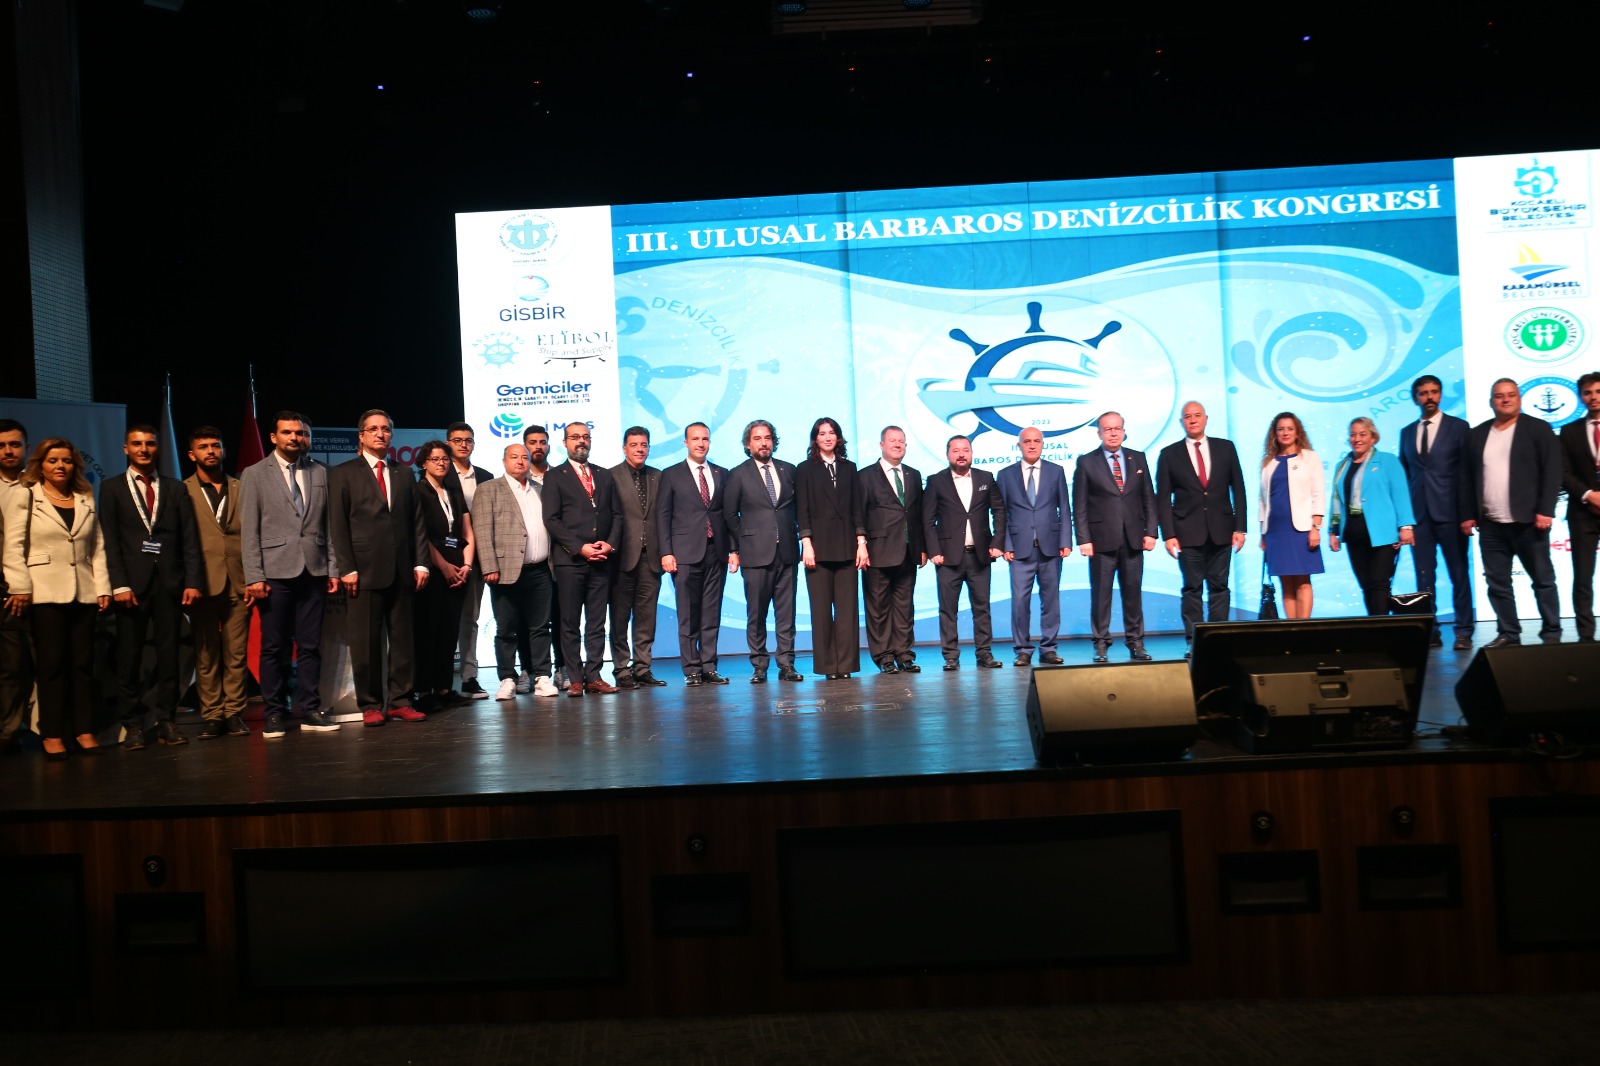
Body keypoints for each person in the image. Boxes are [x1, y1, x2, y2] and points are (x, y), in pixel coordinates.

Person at [1, 439, 111, 759]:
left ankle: (84, 730)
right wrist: (19, 586)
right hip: (44, 592)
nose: (60, 466)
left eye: (66, 460)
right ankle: (52, 734)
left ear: (75, 465)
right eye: (53, 460)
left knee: (83, 665)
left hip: (84, 592)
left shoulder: (85, 497)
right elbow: (13, 546)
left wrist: (103, 587)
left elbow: (98, 548)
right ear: (41, 465)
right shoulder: (26, 495)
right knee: (51, 667)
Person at [239, 412, 341, 737]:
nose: (294, 438)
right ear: (273, 437)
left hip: (314, 568)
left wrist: (333, 568)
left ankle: (310, 709)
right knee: (274, 646)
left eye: (298, 433)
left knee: (311, 645)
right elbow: (249, 531)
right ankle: (274, 712)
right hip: (274, 572)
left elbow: (329, 526)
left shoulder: (320, 472)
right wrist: (254, 576)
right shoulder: (254, 473)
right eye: (286, 432)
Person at [101, 424, 202, 749]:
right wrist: (118, 584)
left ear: (157, 448)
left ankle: (166, 720)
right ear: (126, 449)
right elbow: (109, 541)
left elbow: (189, 539)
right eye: (137, 444)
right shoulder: (112, 488)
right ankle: (132, 724)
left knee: (169, 656)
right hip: (131, 587)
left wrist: (192, 582)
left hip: (170, 584)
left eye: (149, 444)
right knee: (129, 658)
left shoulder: (175, 488)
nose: (143, 449)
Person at [328, 409, 430, 727]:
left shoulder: (403, 473)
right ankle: (370, 704)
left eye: (385, 429)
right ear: (361, 436)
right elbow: (338, 525)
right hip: (363, 571)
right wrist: (346, 567)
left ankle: (400, 701)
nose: (380, 434)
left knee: (403, 641)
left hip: (402, 569)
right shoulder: (343, 473)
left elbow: (416, 522)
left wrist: (421, 562)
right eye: (373, 429)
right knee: (366, 643)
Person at [1461, 378, 1562, 647]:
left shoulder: (1538, 429)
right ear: (1491, 401)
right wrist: (1468, 514)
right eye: (1499, 396)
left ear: (1519, 398)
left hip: (1529, 522)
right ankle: (1508, 633)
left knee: (1543, 581)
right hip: (1491, 524)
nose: (1505, 399)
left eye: (1510, 395)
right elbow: (1467, 477)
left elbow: (1553, 471)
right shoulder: (1477, 434)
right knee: (1498, 584)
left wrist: (1545, 510)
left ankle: (1551, 633)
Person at [1155, 401, 1248, 653]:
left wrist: (1240, 528)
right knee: (1192, 589)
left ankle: (1218, 640)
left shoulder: (1225, 448)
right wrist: (1169, 534)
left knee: (1220, 587)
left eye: (1197, 415)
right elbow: (1162, 498)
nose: (1193, 420)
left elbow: (1238, 488)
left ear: (1206, 418)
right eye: (1188, 416)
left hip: (1222, 530)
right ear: (1181, 422)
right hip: (1187, 532)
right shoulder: (1169, 454)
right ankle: (1194, 641)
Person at [183, 427, 254, 739]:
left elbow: (253, 534)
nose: (210, 451)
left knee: (236, 654)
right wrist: (189, 581)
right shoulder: (182, 490)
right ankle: (212, 714)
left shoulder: (241, 486)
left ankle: (234, 712)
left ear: (223, 450)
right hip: (201, 583)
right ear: (192, 454)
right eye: (203, 447)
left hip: (239, 580)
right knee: (207, 654)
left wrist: (253, 577)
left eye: (215, 445)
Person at [542, 422, 621, 696]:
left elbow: (617, 515)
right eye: (575, 437)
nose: (581, 441)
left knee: (597, 623)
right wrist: (579, 548)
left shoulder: (604, 474)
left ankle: (594, 676)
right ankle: (575, 678)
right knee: (569, 623)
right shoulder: (555, 476)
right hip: (571, 561)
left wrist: (609, 544)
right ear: (565, 442)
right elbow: (551, 519)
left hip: (602, 559)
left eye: (585, 437)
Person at [474, 443, 557, 701]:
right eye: (514, 457)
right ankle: (507, 679)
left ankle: (542, 677)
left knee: (540, 627)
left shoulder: (540, 490)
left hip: (541, 570)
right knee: (506, 629)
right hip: (504, 571)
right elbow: (482, 531)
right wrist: (489, 566)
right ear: (504, 461)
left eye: (524, 457)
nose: (520, 461)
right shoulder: (488, 489)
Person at [1072, 412, 1158, 662]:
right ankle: (1101, 644)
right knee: (1101, 596)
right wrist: (1083, 539)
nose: (1112, 433)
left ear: (1124, 431)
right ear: (1099, 433)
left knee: (1133, 595)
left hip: (1134, 539)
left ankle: (1136, 643)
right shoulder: (1087, 462)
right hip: (1101, 541)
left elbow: (1148, 497)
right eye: (1107, 429)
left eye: (1117, 428)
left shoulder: (1137, 458)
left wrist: (1151, 532)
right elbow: (1079, 504)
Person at [1398, 375, 1476, 650]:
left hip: (1452, 515)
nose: (1429, 397)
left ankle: (1464, 631)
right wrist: (1404, 520)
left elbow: (1467, 473)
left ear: (1440, 395)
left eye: (1433, 392)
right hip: (1419, 517)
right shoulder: (1406, 432)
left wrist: (1468, 514)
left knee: (1459, 574)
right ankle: (1430, 631)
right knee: (1424, 577)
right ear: (1415, 398)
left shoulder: (1459, 427)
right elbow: (1405, 477)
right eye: (1423, 393)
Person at [723, 419, 802, 683]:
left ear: (774, 442)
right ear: (748, 444)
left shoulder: (788, 470)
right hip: (755, 554)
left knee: (786, 614)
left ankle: (787, 664)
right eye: (757, 438)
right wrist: (743, 541)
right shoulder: (738, 474)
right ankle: (759, 665)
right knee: (756, 614)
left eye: (767, 438)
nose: (763, 443)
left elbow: (797, 509)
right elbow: (729, 514)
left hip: (787, 552)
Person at [656, 422, 732, 686]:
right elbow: (663, 516)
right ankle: (691, 669)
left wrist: (733, 549)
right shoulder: (671, 474)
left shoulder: (722, 473)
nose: (701, 443)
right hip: (684, 553)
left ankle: (709, 666)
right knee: (688, 614)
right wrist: (666, 552)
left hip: (716, 552)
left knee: (711, 613)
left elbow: (727, 515)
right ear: (685, 442)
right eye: (695, 439)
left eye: (705, 439)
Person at [922, 434, 1006, 670]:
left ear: (971, 453)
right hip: (947, 557)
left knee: (982, 608)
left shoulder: (985, 478)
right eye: (956, 450)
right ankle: (951, 656)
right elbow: (927, 519)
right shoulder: (936, 481)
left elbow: (999, 511)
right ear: (948, 454)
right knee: (948, 609)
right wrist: (933, 550)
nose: (961, 454)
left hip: (980, 555)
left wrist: (997, 542)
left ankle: (984, 653)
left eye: (965, 450)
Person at [795, 417, 865, 680]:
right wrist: (806, 544)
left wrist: (861, 543)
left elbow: (857, 508)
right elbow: (802, 510)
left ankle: (845, 665)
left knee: (847, 611)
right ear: (815, 438)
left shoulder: (849, 468)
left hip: (847, 546)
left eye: (832, 432)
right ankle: (827, 667)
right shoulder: (804, 469)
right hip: (818, 548)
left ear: (838, 437)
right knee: (822, 611)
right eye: (822, 433)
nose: (827, 437)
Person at [997, 427, 1072, 666]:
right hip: (1019, 549)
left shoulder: (1056, 471)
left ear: (1042, 444)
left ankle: (1049, 648)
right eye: (1027, 441)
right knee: (1020, 601)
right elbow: (1001, 513)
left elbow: (1064, 507)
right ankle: (1023, 650)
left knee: (1051, 601)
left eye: (1036, 441)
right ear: (1018, 445)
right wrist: (1006, 544)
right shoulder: (1005, 475)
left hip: (1051, 547)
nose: (1032, 445)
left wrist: (1066, 541)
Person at [1329, 418, 1416, 615]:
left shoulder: (1387, 461)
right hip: (1353, 533)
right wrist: (1333, 530)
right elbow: (1336, 500)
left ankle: (1382, 629)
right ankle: (1375, 625)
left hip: (1383, 533)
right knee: (1366, 585)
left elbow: (1400, 494)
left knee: (1379, 584)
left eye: (1363, 434)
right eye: (1353, 434)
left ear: (1373, 437)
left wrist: (1405, 526)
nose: (1357, 439)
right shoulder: (1342, 465)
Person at [856, 425, 924, 673]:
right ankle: (884, 656)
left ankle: (904, 654)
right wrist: (861, 544)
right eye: (892, 440)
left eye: (901, 441)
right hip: (877, 550)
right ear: (881, 445)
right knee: (878, 608)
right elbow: (859, 514)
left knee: (905, 607)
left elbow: (918, 514)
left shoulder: (914, 475)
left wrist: (922, 547)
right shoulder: (865, 476)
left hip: (908, 550)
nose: (897, 444)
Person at [413, 440, 475, 710]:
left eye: (445, 459)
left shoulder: (453, 491)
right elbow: (420, 535)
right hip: (432, 571)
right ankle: (424, 692)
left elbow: (467, 531)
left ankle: (445, 688)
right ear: (423, 463)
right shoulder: (418, 492)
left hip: (459, 570)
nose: (441, 463)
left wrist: (467, 565)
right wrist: (444, 566)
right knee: (429, 632)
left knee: (450, 632)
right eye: (435, 459)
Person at [442, 422, 496, 698]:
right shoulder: (438, 471)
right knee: (444, 620)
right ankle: (438, 682)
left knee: (470, 619)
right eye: (458, 440)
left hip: (478, 558)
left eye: (468, 440)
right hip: (446, 558)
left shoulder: (486, 476)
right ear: (448, 443)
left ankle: (469, 676)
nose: (464, 444)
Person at [608, 426, 664, 688]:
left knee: (646, 617)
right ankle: (621, 669)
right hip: (620, 558)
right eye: (634, 445)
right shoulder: (610, 476)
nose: (639, 449)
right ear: (624, 448)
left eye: (644, 444)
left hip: (651, 557)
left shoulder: (659, 476)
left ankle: (642, 667)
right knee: (619, 618)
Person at [1259, 412, 1325, 619]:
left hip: (1302, 529)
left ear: (1297, 432)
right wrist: (1263, 534)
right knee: (1285, 581)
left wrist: (1316, 527)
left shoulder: (1309, 457)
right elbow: (1262, 500)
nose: (1285, 433)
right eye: (1281, 429)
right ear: (1275, 433)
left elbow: (1318, 493)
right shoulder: (1268, 463)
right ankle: (1292, 628)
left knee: (1303, 580)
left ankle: (1304, 628)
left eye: (1290, 429)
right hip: (1275, 531)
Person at [1558, 371, 1600, 643]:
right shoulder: (1569, 431)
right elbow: (1563, 473)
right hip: (1582, 512)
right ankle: (1586, 637)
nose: (1593, 397)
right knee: (1583, 578)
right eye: (1587, 392)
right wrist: (1588, 495)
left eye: (1598, 391)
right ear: (1581, 396)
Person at [0, 418, 31, 754]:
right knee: (8, 666)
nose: (8, 451)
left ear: (26, 447)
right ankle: (8, 730)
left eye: (14, 444)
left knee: (34, 665)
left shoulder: (39, 483)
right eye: (2, 445)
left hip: (40, 584)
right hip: (3, 587)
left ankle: (45, 728)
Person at [524, 423, 562, 691]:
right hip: (530, 559)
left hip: (559, 558)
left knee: (560, 617)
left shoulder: (560, 475)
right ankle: (528, 670)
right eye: (533, 442)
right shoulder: (517, 477)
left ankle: (562, 668)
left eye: (542, 442)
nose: (538, 447)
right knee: (528, 620)